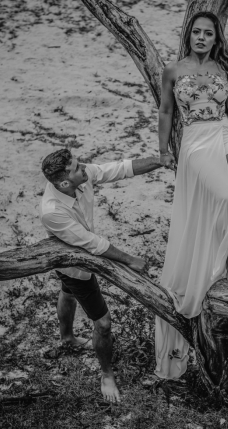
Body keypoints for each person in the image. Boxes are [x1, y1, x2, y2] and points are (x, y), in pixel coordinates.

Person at [154, 11, 228, 380]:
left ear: (216, 38)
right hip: (195, 139)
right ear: (188, 36)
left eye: (208, 33)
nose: (202, 38)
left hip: (225, 133)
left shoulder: (224, 70)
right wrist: (164, 150)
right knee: (223, 197)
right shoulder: (174, 71)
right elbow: (165, 110)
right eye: (197, 32)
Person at [40, 148, 163, 402]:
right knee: (103, 323)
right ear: (65, 182)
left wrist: (160, 161)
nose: (84, 167)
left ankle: (67, 338)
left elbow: (119, 168)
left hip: (73, 263)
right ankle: (106, 375)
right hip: (74, 266)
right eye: (76, 167)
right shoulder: (52, 210)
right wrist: (130, 260)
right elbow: (91, 244)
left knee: (67, 292)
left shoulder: (81, 177)